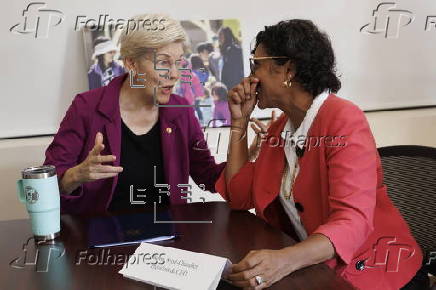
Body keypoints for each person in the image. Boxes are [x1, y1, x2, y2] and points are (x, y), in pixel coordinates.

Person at [216, 19, 425, 290]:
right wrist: (239, 122)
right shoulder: (282, 128)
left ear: (287, 69)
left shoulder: (344, 119)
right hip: (315, 269)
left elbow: (352, 222)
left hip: (376, 272)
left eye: (256, 64)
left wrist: (284, 260)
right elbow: (238, 195)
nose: (249, 78)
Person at [44, 14, 225, 214]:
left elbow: (208, 176)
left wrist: (242, 150)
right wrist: (75, 175)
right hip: (100, 237)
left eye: (178, 62)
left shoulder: (181, 110)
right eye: (163, 63)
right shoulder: (86, 107)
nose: (174, 74)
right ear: (131, 64)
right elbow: (47, 187)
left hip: (167, 239)